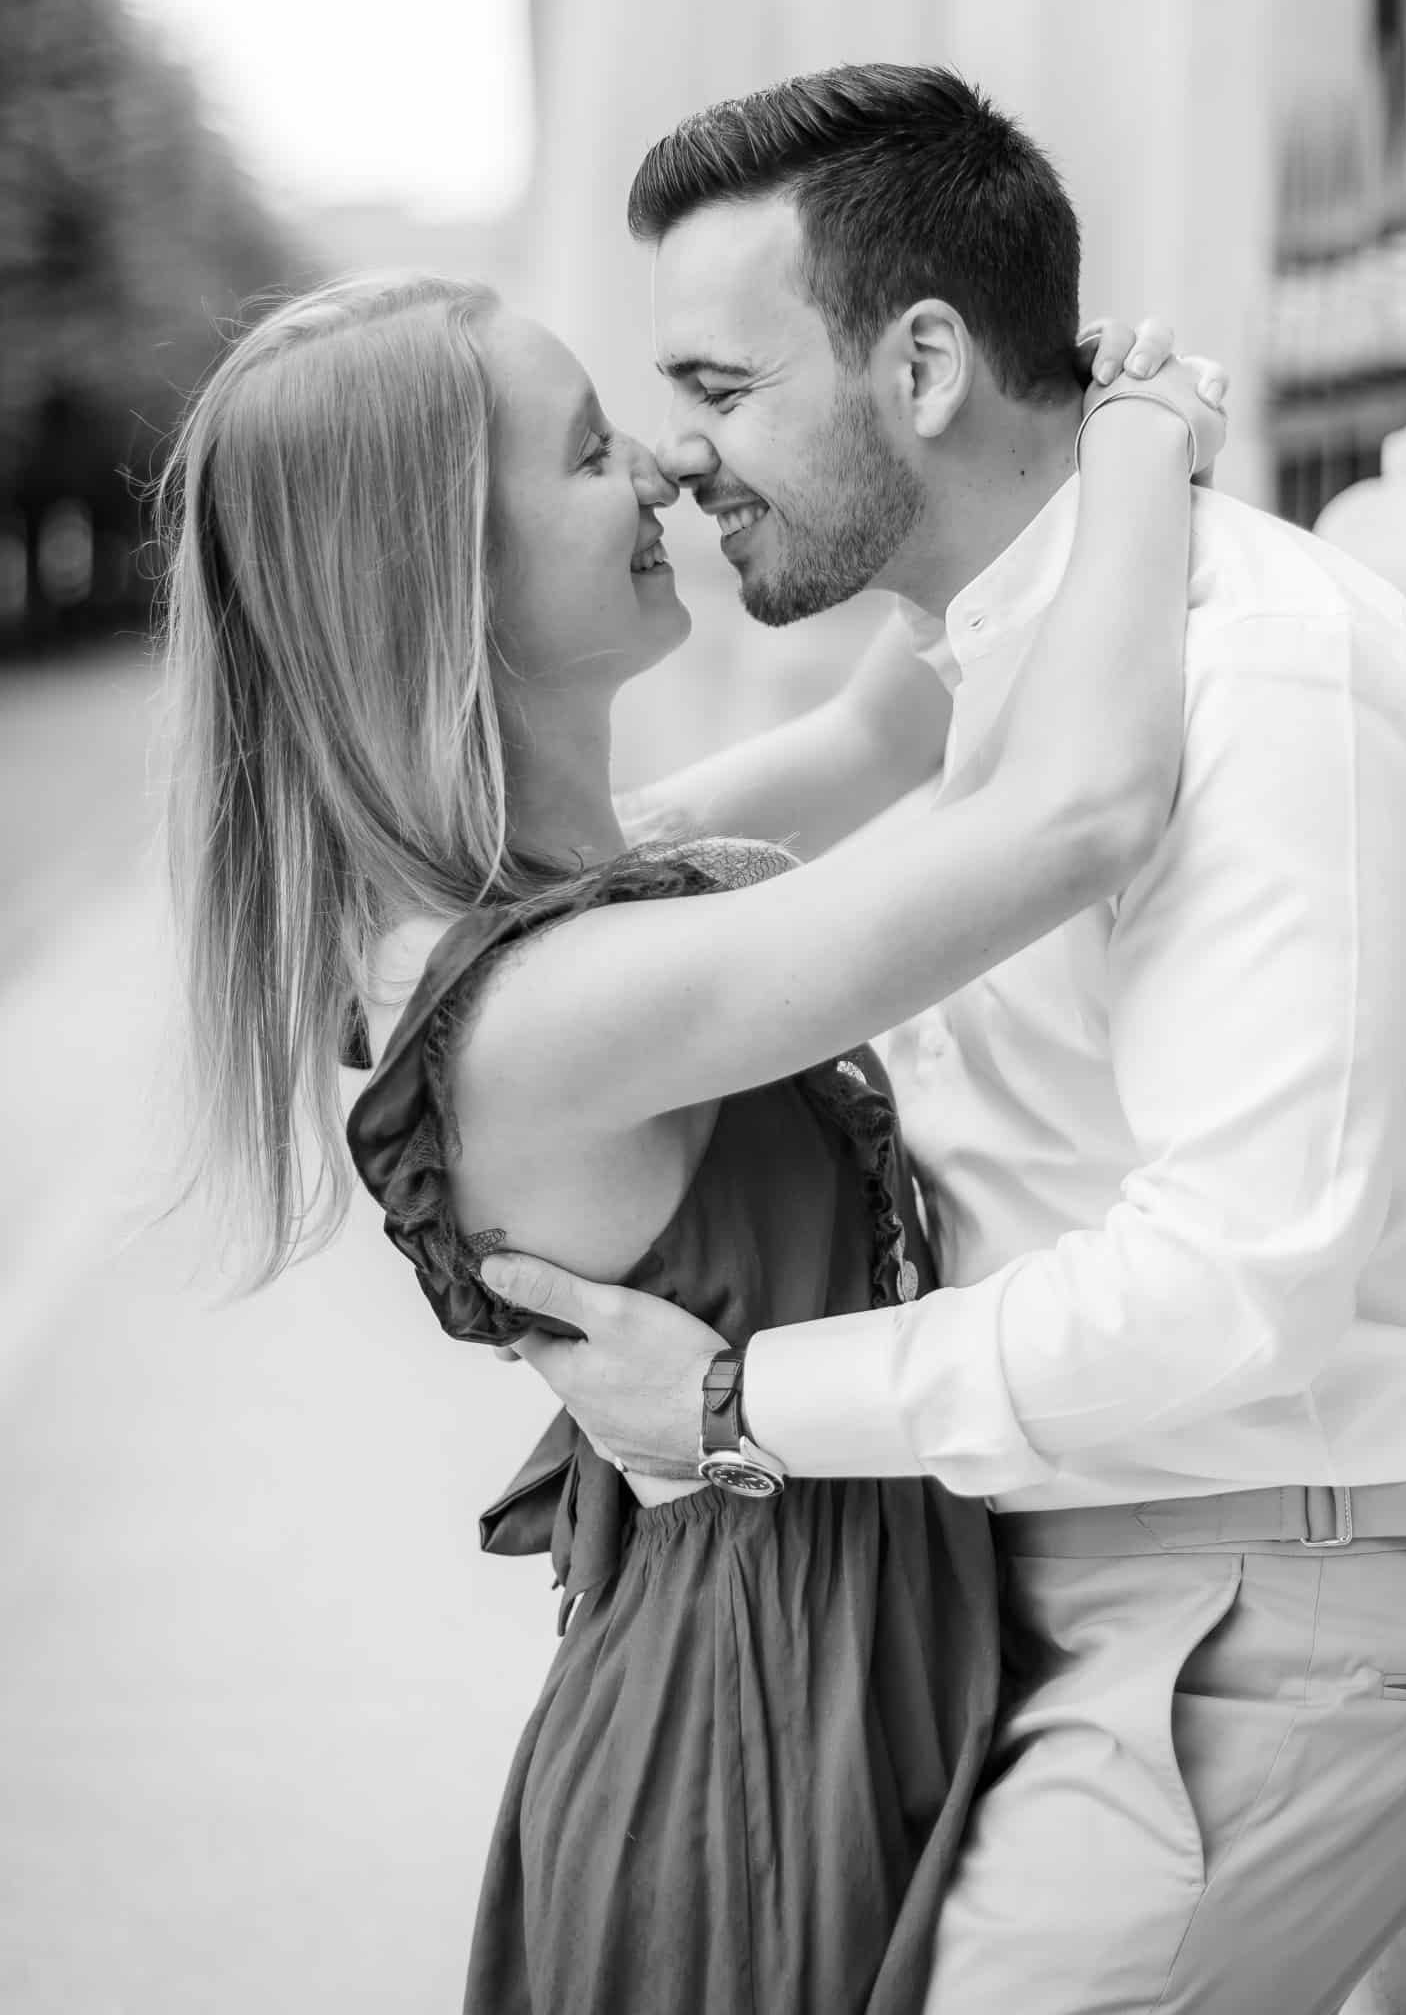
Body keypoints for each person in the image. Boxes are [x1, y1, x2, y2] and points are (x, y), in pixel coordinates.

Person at [479, 64, 1406, 2015]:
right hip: (1007, 1597)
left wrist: (733, 1408)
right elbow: (709, 858)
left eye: (716, 388)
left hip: (1256, 1618)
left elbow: (1229, 1289)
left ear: (924, 364)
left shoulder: (1253, 681)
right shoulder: (978, 681)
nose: (672, 457)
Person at [157, 262, 1225, 2014]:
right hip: (741, 1765)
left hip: (803, 1676)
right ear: (452, 582)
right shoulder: (555, 1004)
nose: (659, 466)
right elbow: (1077, 808)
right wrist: (1139, 438)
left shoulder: (583, 877)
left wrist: (976, 443)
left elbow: (902, 722)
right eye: (586, 456)